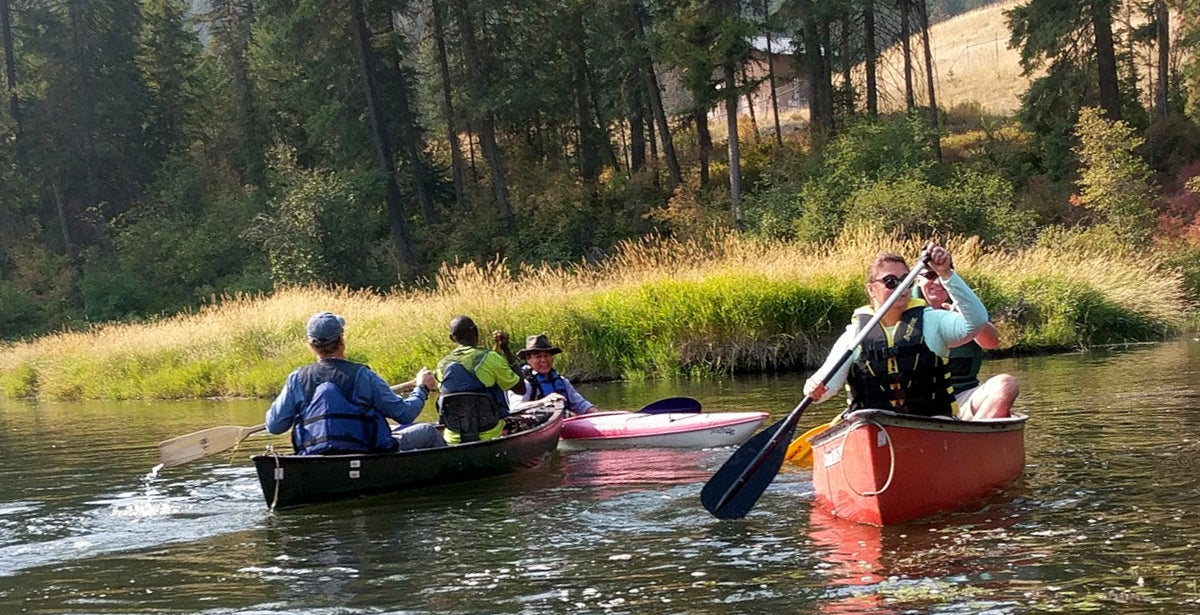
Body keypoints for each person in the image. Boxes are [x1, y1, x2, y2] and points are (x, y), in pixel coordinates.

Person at [804, 244, 989, 419]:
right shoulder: (854, 335)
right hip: (874, 427)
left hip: (933, 423)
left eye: (905, 281)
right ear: (871, 289)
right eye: (890, 282)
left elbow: (977, 321)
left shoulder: (933, 321)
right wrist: (814, 388)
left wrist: (946, 274)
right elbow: (825, 386)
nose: (901, 288)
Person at [265, 311, 445, 455]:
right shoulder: (363, 375)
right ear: (342, 340)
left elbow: (274, 426)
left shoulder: (296, 379)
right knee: (428, 431)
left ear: (311, 346)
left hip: (314, 456)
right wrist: (421, 388)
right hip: (367, 452)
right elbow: (405, 414)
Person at [917, 268, 1019, 419]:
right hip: (920, 401)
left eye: (941, 275)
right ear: (918, 280)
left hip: (964, 396)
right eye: (930, 275)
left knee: (1006, 385)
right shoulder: (902, 308)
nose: (938, 282)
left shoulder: (966, 304)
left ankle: (972, 436)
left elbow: (991, 343)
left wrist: (968, 322)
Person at [435, 315, 527, 443]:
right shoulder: (490, 358)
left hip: (453, 437)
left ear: (451, 338)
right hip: (492, 433)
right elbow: (521, 389)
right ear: (476, 332)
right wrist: (506, 350)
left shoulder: (440, 366)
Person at [507, 334, 596, 416]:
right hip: (533, 426)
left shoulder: (562, 381)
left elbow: (582, 406)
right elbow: (515, 408)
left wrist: (600, 415)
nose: (543, 360)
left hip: (561, 425)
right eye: (538, 357)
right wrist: (543, 401)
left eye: (546, 356)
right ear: (528, 359)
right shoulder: (522, 383)